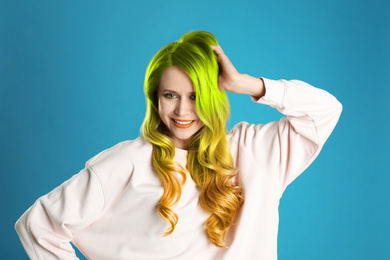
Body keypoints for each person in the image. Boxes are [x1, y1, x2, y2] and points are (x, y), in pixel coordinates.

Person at [15, 31, 342, 260]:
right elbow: (38, 225)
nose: (183, 111)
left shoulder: (255, 150)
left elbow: (326, 110)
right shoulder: (129, 160)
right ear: (155, 98)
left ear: (215, 97)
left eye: (196, 97)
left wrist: (245, 84)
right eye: (170, 95)